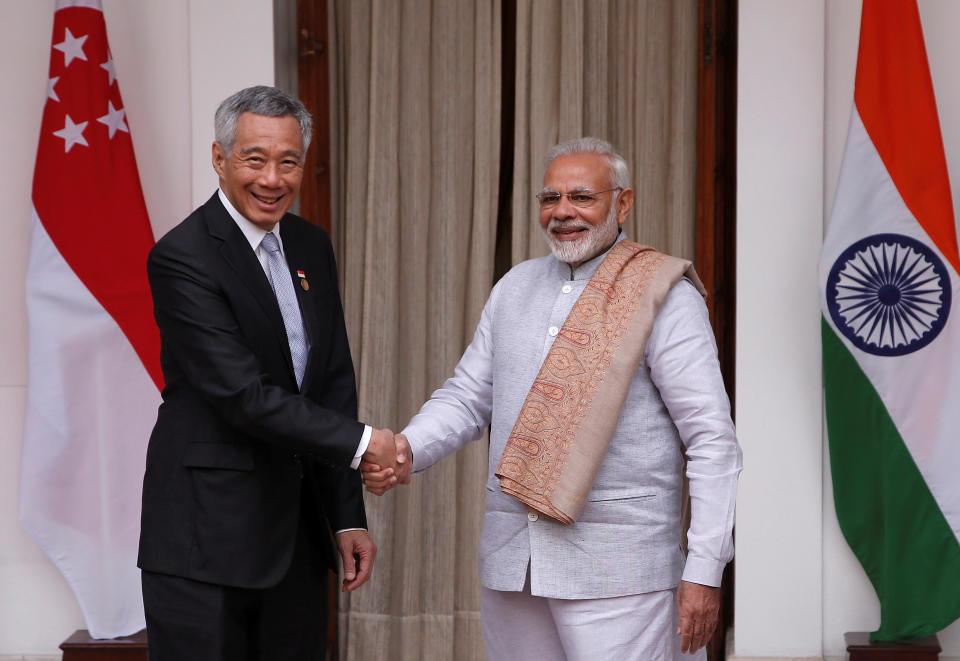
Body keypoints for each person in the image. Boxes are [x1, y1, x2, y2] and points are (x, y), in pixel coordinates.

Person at [364, 137, 742, 660]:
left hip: (620, 574)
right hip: (513, 564)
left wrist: (704, 569)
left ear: (622, 203)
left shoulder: (665, 296)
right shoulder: (515, 287)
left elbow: (711, 441)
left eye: (582, 197)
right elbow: (469, 397)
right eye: (550, 198)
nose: (562, 212)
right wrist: (406, 448)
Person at [138, 86, 399, 661]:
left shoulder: (310, 245)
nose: (273, 179)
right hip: (204, 542)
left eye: (289, 161)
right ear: (220, 158)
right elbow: (242, 395)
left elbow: (331, 381)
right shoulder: (182, 257)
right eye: (255, 159)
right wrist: (366, 444)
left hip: (296, 540)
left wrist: (346, 516)